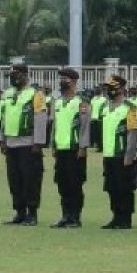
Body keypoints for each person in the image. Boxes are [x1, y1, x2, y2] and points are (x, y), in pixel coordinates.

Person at [0, 64, 49, 226]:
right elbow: (4, 117)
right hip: (12, 143)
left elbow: (41, 119)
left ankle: (32, 213)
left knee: (31, 179)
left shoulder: (36, 94)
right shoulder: (8, 94)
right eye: (12, 74)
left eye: (17, 74)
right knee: (14, 179)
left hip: (28, 143)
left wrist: (38, 142)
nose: (14, 77)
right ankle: (19, 212)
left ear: (25, 75)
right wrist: (3, 139)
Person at [50, 68, 91, 228]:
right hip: (61, 149)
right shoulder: (58, 101)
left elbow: (85, 126)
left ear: (73, 81)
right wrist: (53, 144)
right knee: (62, 184)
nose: (61, 81)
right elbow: (55, 125)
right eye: (60, 78)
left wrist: (83, 146)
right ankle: (65, 215)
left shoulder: (81, 102)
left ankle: (75, 217)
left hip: (75, 150)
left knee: (75, 184)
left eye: (64, 78)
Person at [99, 74, 137, 229]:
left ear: (122, 89)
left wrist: (129, 155)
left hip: (123, 155)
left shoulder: (130, 108)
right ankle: (116, 216)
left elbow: (133, 133)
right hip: (109, 154)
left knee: (124, 188)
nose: (110, 91)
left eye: (113, 88)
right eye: (108, 88)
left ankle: (125, 218)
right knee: (112, 187)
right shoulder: (105, 107)